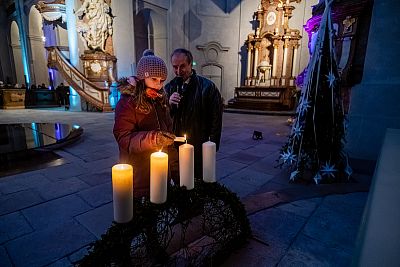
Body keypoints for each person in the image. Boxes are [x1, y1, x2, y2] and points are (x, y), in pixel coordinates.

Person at [113, 55, 178, 198]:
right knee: (142, 217)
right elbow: (123, 138)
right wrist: (153, 139)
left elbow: (169, 140)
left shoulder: (160, 101)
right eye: (154, 79)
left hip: (161, 174)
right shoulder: (128, 103)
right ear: (142, 78)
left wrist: (176, 172)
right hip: (140, 174)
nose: (159, 85)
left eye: (162, 81)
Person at [165, 48, 223, 179]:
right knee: (179, 179)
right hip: (176, 144)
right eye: (175, 67)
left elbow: (216, 119)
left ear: (191, 64)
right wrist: (169, 104)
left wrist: (212, 146)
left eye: (182, 66)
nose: (178, 71)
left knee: (197, 180)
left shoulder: (207, 87)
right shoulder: (169, 87)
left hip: (198, 144)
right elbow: (163, 118)